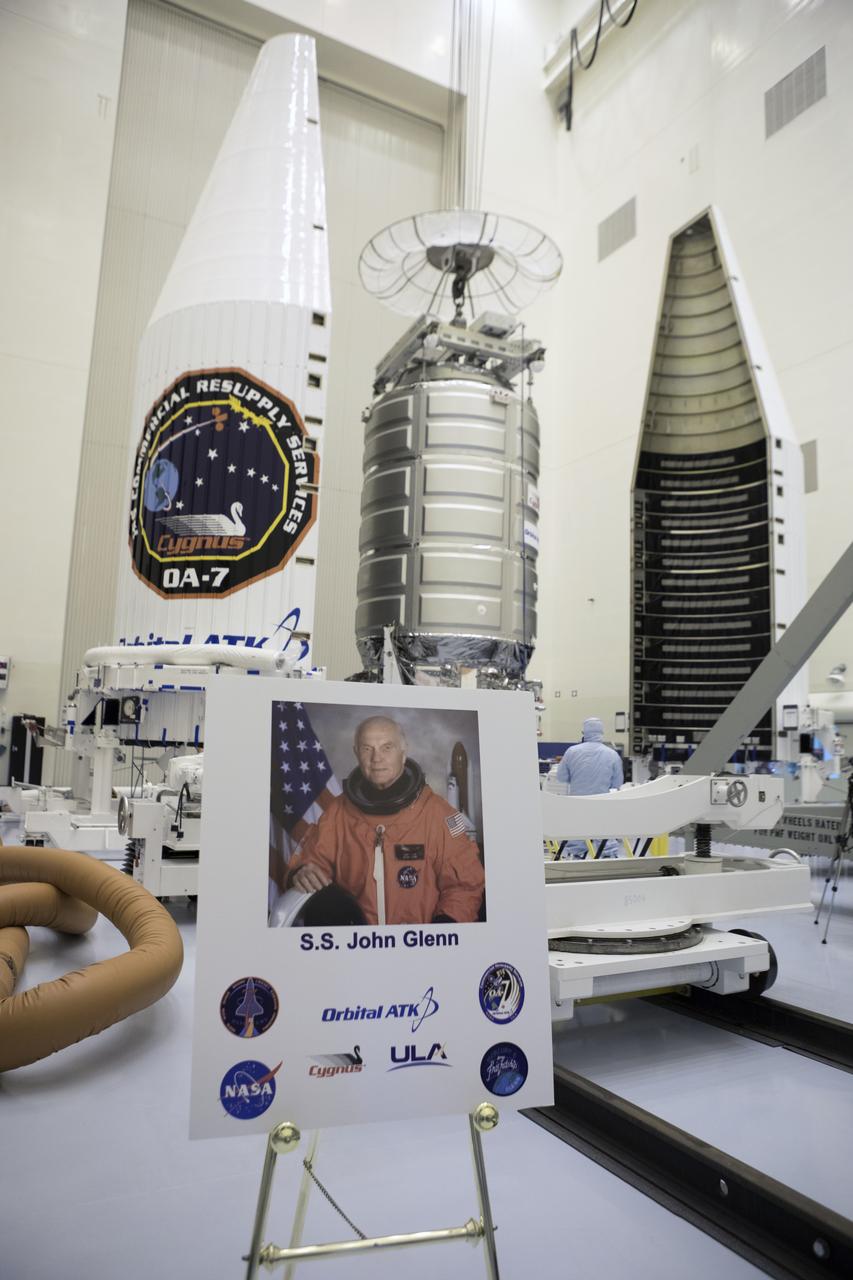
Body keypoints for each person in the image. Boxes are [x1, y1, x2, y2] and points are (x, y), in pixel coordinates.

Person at [285, 716, 485, 925]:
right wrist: (302, 872)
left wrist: (442, 932)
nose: (376, 758)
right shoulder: (337, 813)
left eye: (387, 747)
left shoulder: (440, 815)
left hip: (419, 946)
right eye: (366, 749)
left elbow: (466, 884)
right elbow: (310, 862)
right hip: (357, 945)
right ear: (356, 753)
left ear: (403, 752)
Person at [556, 716, 624, 859]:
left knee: (577, 841)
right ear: (601, 732)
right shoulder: (612, 754)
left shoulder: (571, 752)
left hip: (577, 806)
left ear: (584, 732)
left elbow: (561, 777)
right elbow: (617, 784)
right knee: (605, 839)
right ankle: (608, 860)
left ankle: (577, 860)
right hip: (602, 807)